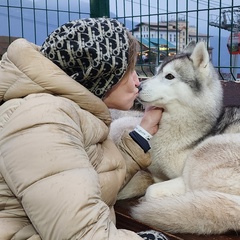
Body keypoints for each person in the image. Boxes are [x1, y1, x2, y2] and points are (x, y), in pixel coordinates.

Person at [0, 17, 167, 240]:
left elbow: (87, 183)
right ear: (101, 75)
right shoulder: (43, 119)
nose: (137, 81)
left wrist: (142, 133)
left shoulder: (61, 110)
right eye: (129, 71)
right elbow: (82, 234)